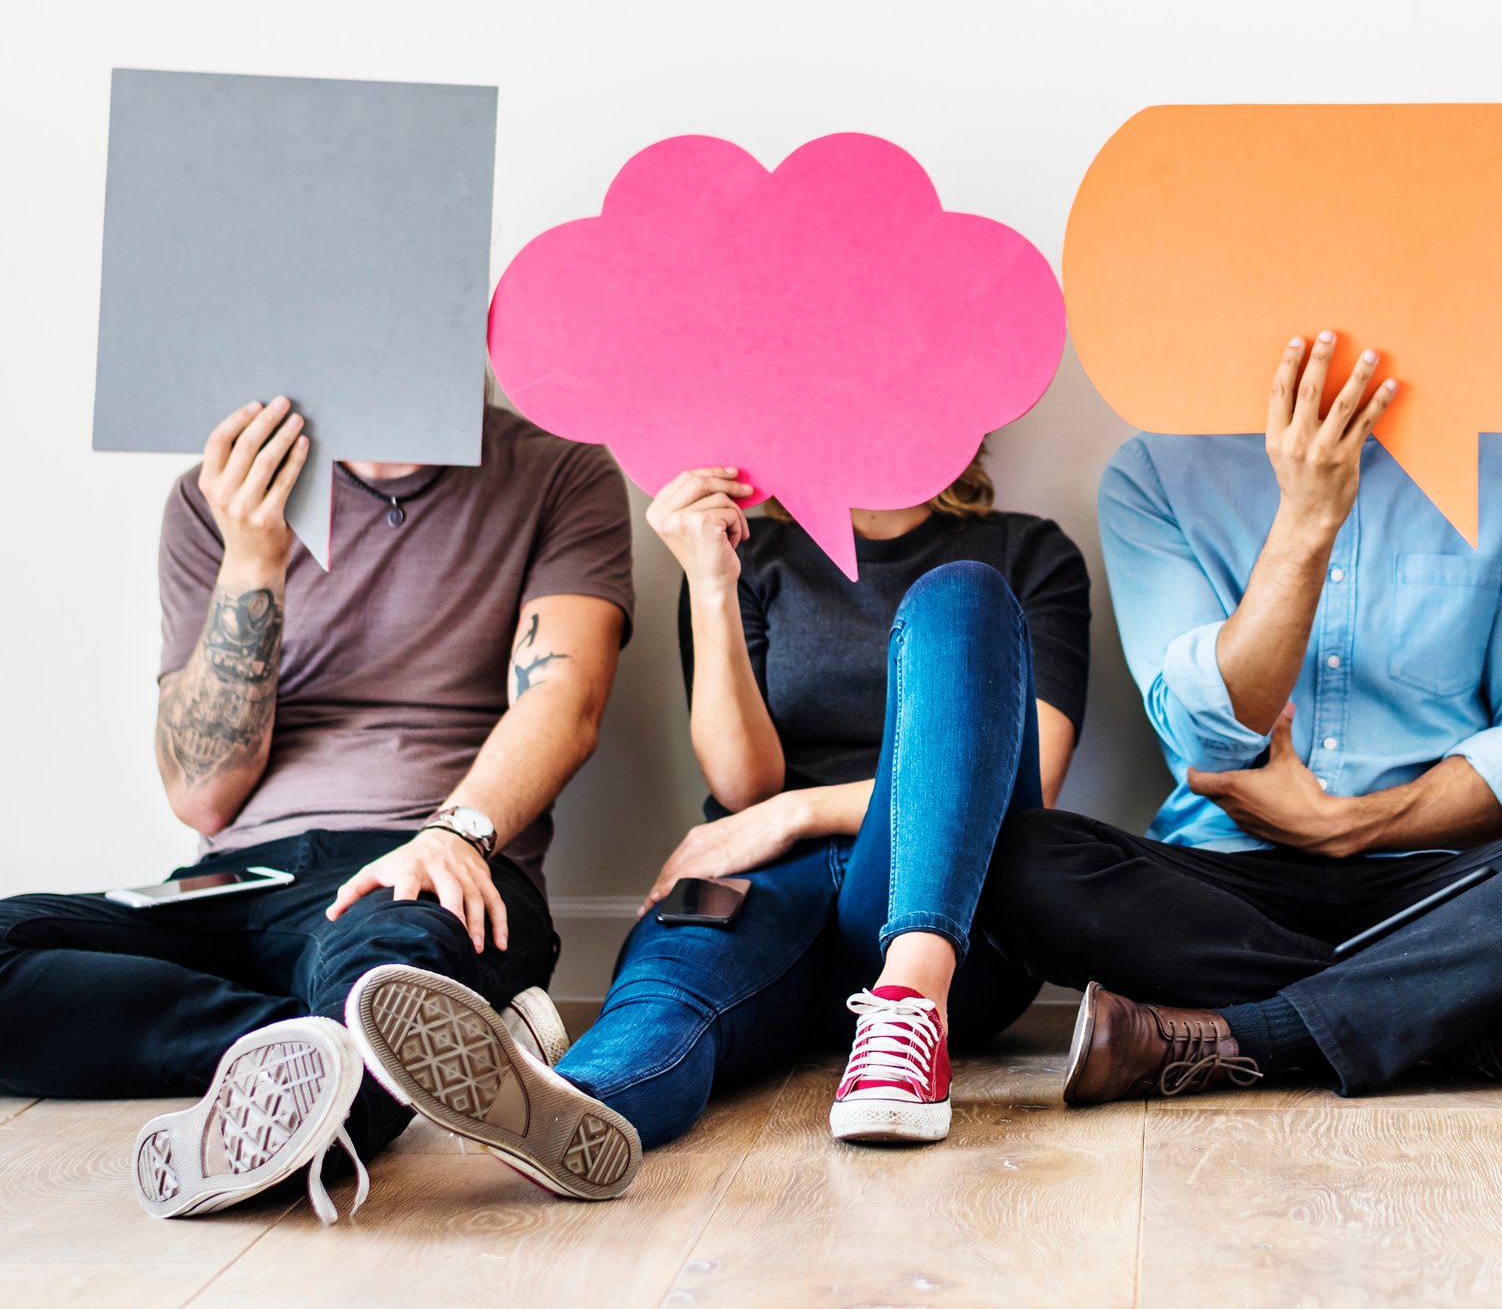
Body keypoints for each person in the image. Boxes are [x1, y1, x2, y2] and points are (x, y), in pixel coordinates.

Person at [975, 331, 1502, 1104]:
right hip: (1226, 885)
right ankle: (1461, 1017)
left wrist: (1354, 824)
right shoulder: (1157, 470)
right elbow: (1204, 736)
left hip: (1444, 890)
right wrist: (1306, 518)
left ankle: (1251, 1035)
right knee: (1014, 857)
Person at [347, 447, 1090, 1188]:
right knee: (672, 987)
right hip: (772, 883)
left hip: (946, 914)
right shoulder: (755, 556)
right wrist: (711, 583)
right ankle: (566, 1102)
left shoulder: (1029, 553)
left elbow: (1034, 770)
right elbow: (743, 784)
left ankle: (907, 1009)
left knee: (961, 595)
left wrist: (794, 813)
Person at [0, 396, 634, 1221]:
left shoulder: (560, 468)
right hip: (241, 877)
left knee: (384, 974)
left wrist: (455, 833)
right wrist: (254, 558)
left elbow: (563, 701)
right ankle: (388, 1052)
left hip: (428, 857)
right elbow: (202, 792)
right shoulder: (214, 496)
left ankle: (335, 1066)